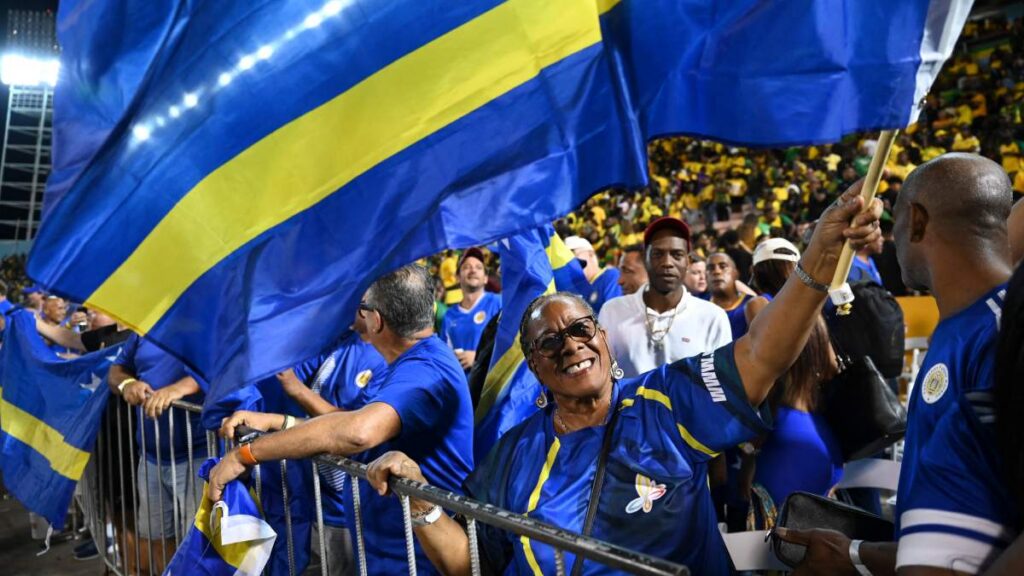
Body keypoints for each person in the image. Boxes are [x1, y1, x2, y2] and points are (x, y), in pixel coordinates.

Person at [363, 181, 883, 575]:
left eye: (581, 328)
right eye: (549, 342)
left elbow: (761, 355)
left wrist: (820, 254)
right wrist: (424, 504)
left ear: (604, 338)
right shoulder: (513, 455)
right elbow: (470, 563)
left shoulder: (667, 401)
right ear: (537, 368)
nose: (570, 344)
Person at [777, 153, 1018, 575]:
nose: (892, 239)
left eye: (898, 226)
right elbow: (962, 539)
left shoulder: (1004, 335)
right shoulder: (962, 327)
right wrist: (854, 555)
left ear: (919, 221)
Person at [208, 264, 474, 575]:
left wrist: (247, 454)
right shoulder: (415, 362)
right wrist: (279, 422)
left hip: (417, 561)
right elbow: (353, 423)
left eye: (361, 306)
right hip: (390, 552)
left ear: (375, 320)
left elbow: (357, 432)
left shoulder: (426, 369)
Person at [232, 327, 387, 576]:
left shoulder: (387, 360)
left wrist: (297, 390)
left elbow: (355, 427)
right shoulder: (340, 340)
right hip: (315, 494)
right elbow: (289, 370)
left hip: (347, 505)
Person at [741, 238, 842, 511]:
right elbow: (831, 368)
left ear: (759, 272)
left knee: (774, 543)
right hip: (822, 436)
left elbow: (766, 363)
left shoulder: (759, 304)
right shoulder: (815, 313)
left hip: (784, 436)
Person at [108, 333, 208, 574]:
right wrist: (126, 384)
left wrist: (178, 389)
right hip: (151, 459)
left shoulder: (204, 318)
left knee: (196, 545)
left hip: (197, 457)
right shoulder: (143, 327)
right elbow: (115, 372)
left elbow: (220, 366)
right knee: (158, 539)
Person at [599, 217, 730, 377]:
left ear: (688, 262)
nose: (667, 262)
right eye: (657, 254)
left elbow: (720, 385)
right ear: (645, 260)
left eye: (677, 254)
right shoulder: (613, 311)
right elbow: (605, 377)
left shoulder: (712, 317)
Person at [440, 247, 502, 372]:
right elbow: (444, 357)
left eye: (479, 267)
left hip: (489, 387)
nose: (473, 270)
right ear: (457, 277)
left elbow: (511, 345)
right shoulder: (449, 315)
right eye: (466, 267)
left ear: (485, 278)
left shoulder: (499, 303)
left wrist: (478, 358)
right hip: (462, 387)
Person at [565, 235, 622, 313]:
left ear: (591, 254)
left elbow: (613, 314)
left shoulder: (611, 276)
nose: (571, 263)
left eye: (574, 256)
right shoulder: (575, 289)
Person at [708, 252, 755, 339]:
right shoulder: (697, 306)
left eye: (723, 266)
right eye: (710, 268)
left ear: (736, 273)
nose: (716, 271)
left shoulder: (753, 304)